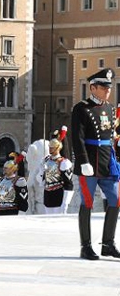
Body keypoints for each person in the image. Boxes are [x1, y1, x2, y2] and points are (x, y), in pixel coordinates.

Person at [71, 68, 120, 260]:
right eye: (104, 87)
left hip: (107, 162)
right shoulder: (81, 109)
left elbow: (111, 136)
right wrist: (83, 161)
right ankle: (86, 246)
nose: (108, 90)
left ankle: (108, 243)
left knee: (116, 200)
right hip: (89, 163)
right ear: (93, 88)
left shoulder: (109, 108)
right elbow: (77, 138)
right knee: (88, 203)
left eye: (109, 87)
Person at [37, 126, 74, 214]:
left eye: (52, 147)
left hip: (59, 195)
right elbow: (40, 180)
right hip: (47, 196)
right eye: (49, 147)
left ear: (58, 148)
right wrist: (42, 172)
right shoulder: (45, 160)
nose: (50, 149)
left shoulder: (64, 163)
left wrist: (66, 202)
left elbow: (69, 184)